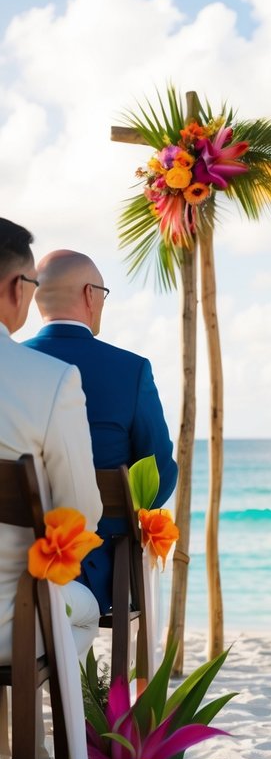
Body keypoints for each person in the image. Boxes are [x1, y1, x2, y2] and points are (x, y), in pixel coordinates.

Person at [24, 248, 177, 615]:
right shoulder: (130, 370)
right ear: (89, 295)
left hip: (20, 562)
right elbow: (159, 476)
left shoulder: (12, 366)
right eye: (103, 295)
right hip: (101, 572)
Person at [0, 220, 102, 661]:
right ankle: (36, 732)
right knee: (84, 612)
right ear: (13, 289)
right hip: (7, 624)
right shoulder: (50, 380)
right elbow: (80, 513)